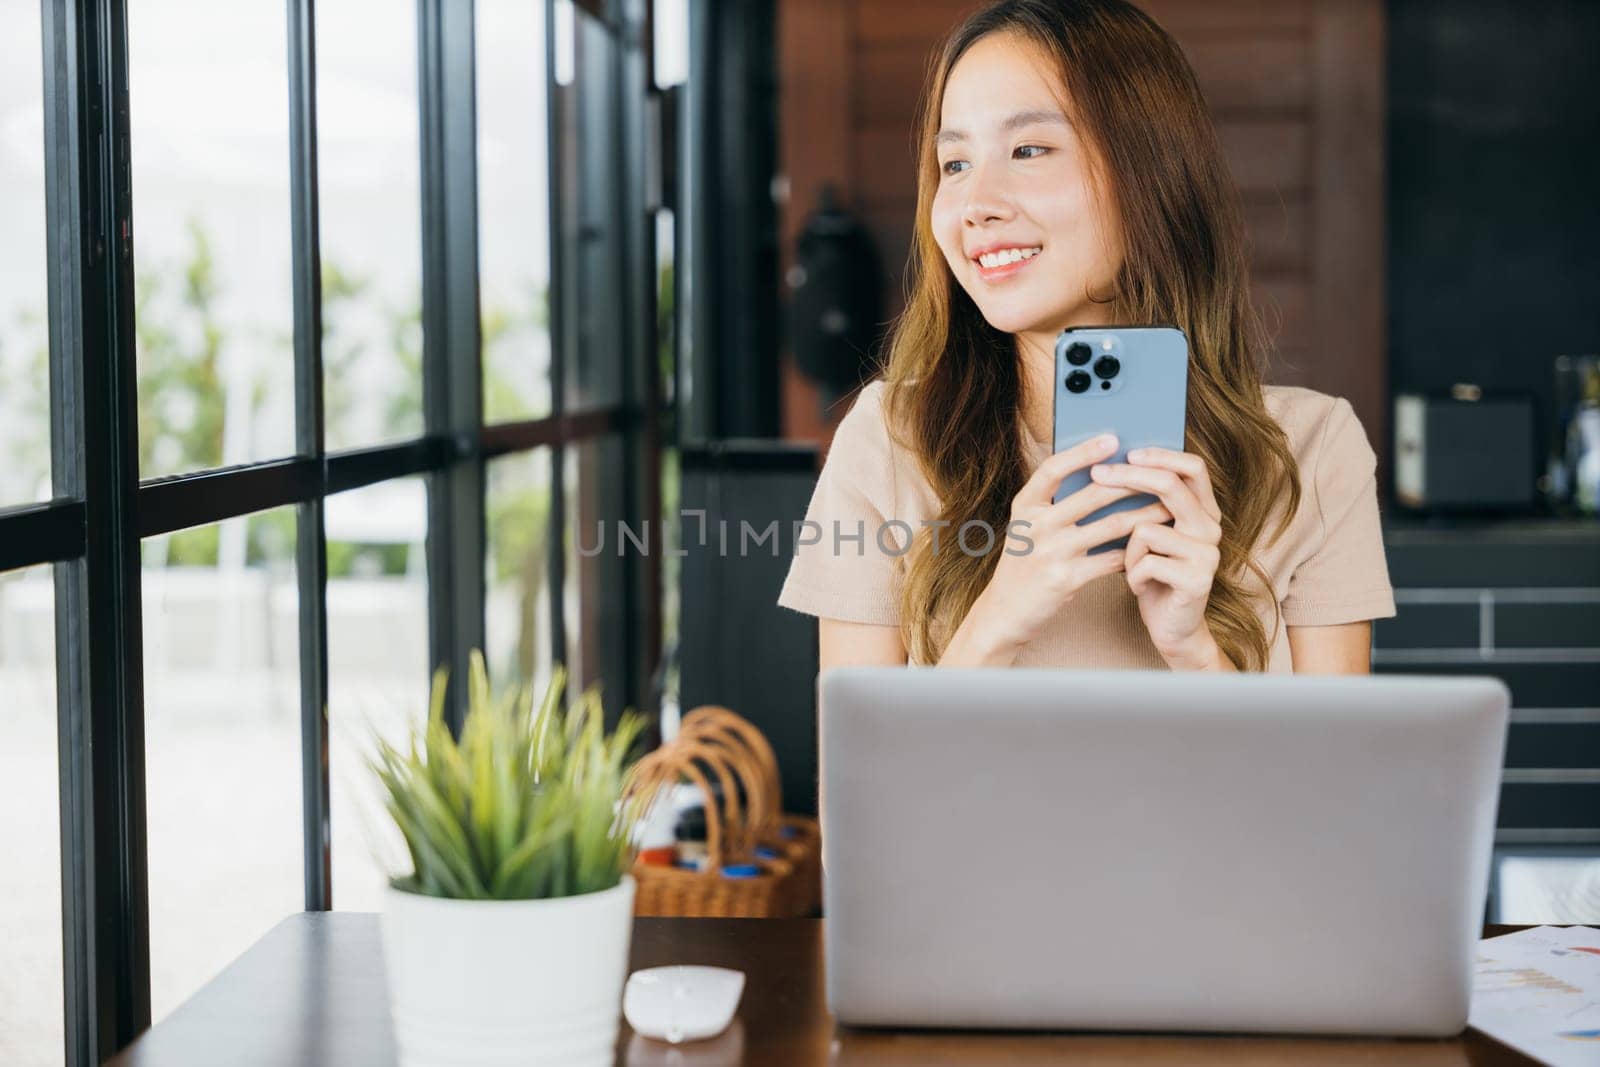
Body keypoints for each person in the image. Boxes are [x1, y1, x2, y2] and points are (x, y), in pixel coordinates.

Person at [777, 0, 1396, 675]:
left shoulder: (1310, 452)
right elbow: (861, 781)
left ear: (1149, 176)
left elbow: (1328, 782)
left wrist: (1194, 649)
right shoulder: (888, 443)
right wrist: (1000, 616)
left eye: (1028, 149)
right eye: (953, 164)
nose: (976, 203)